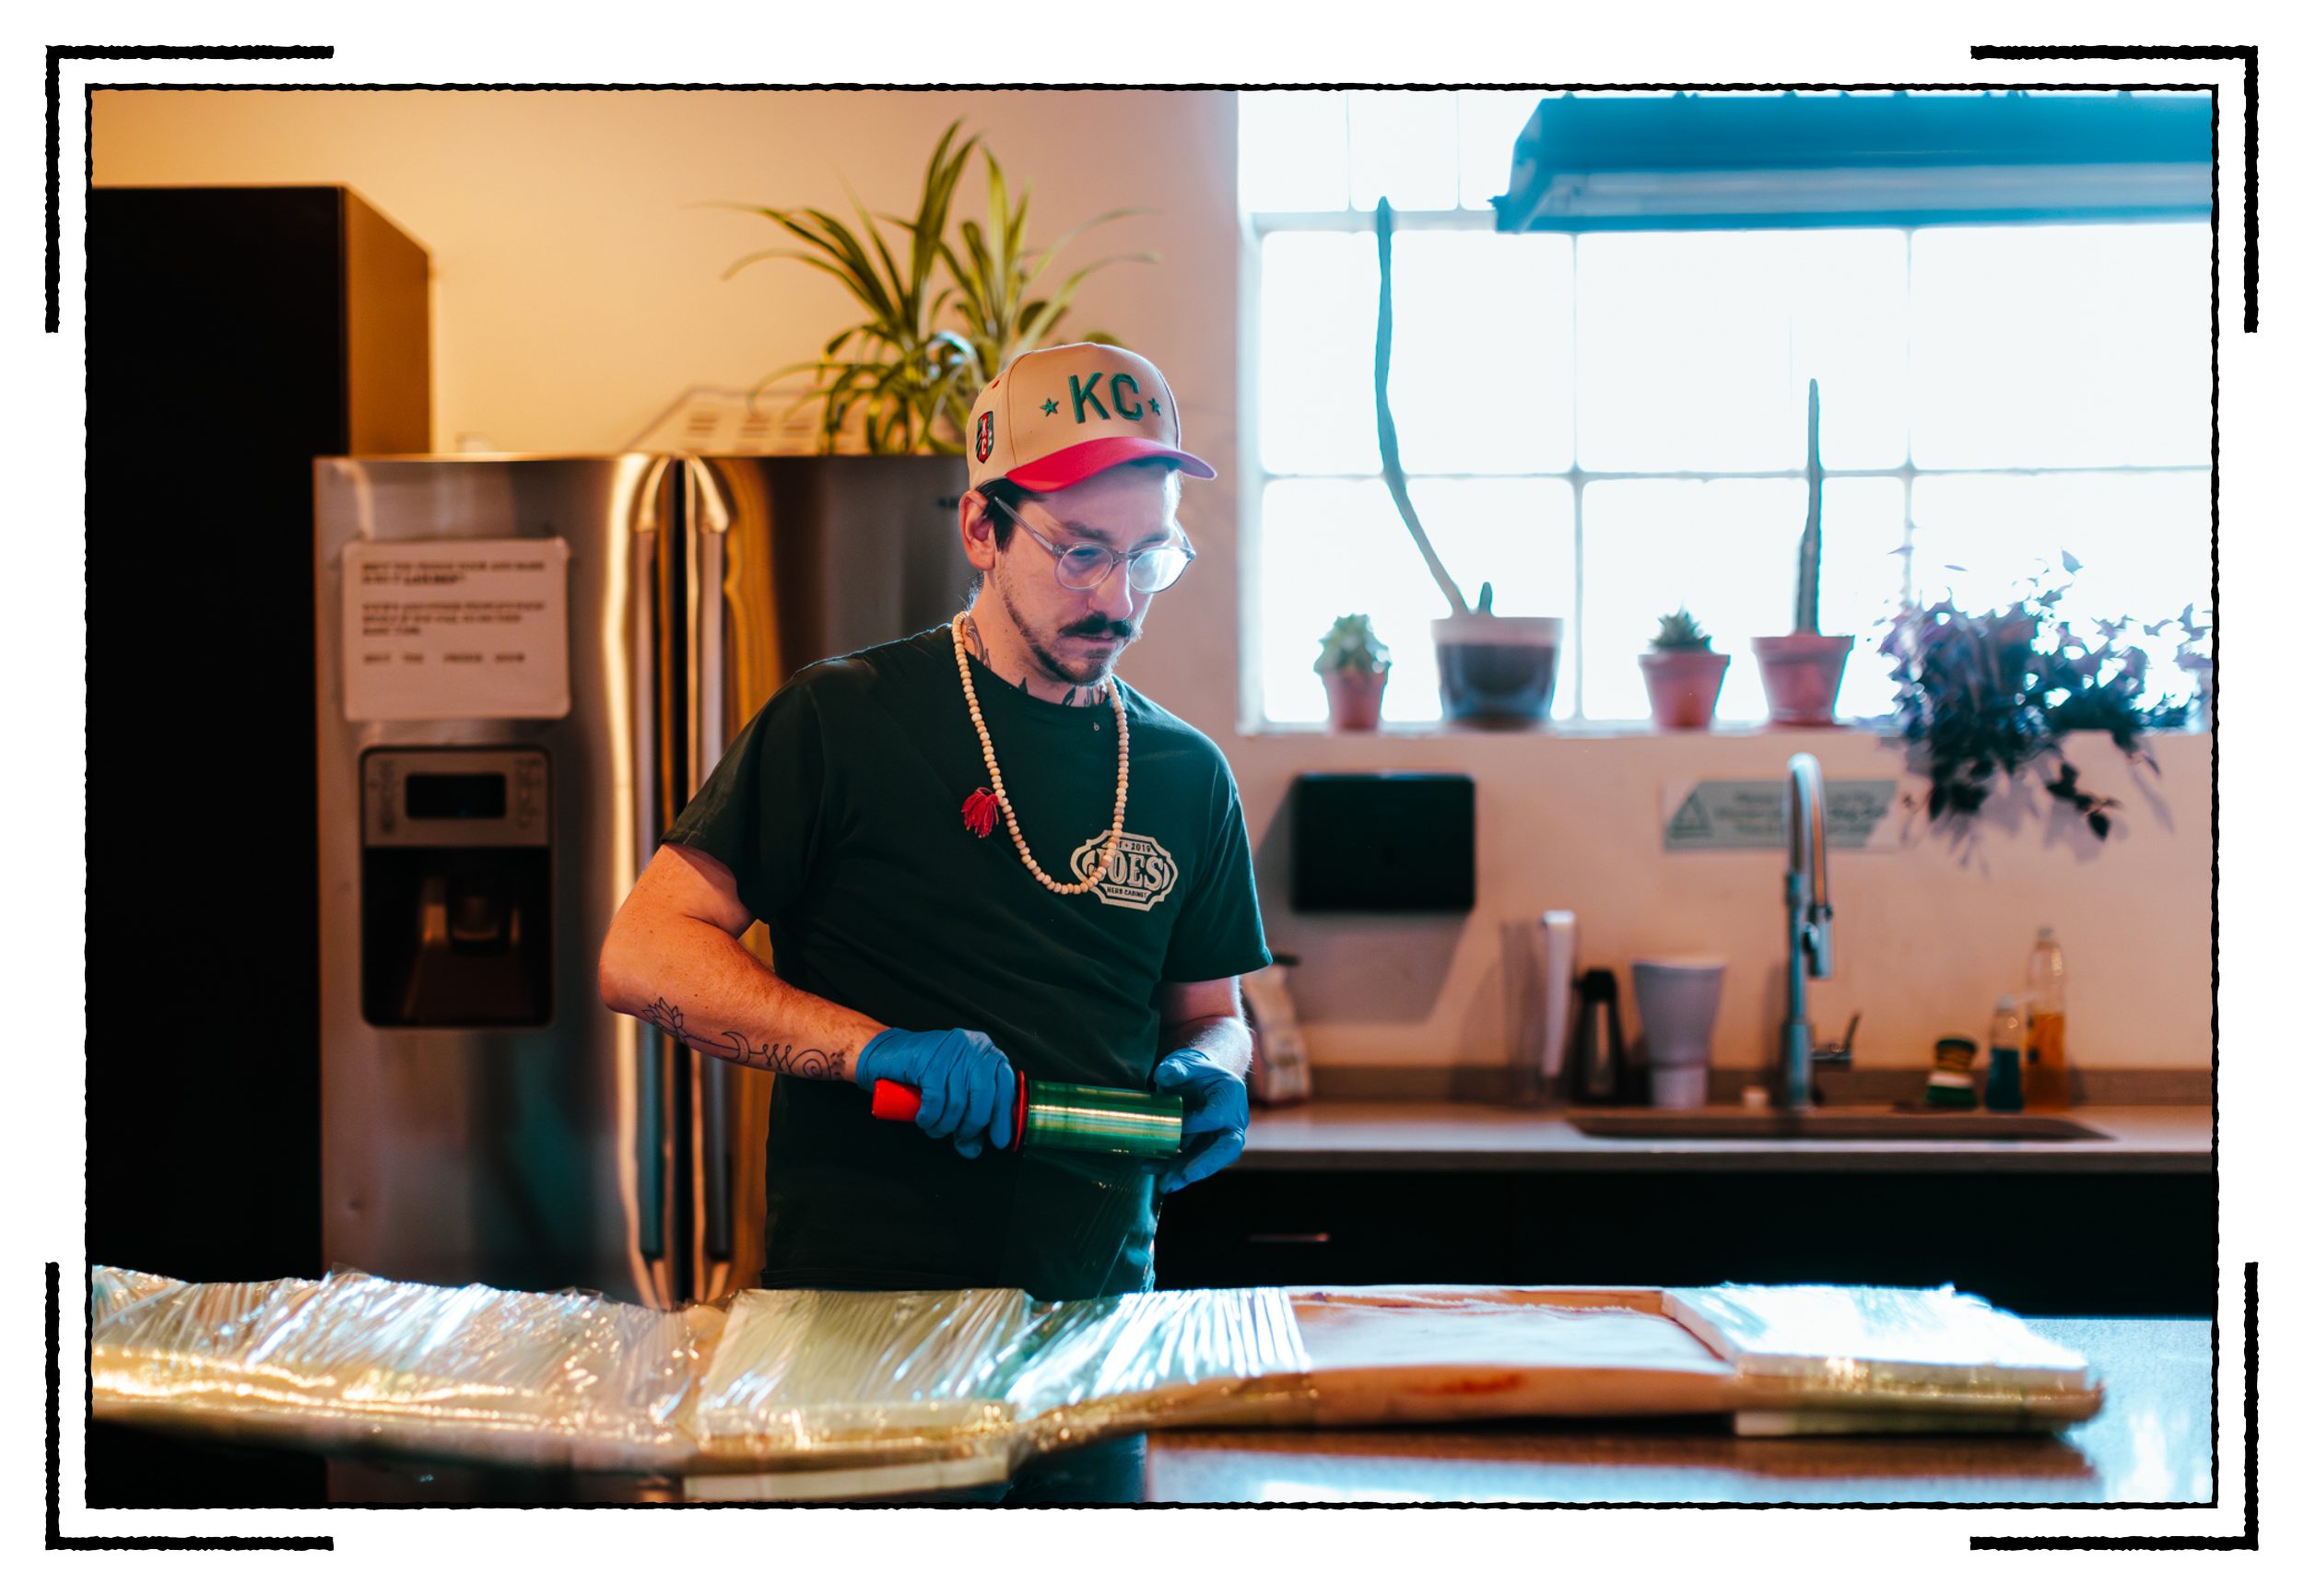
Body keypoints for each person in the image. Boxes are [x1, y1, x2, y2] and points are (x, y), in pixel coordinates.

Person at [597, 342, 1269, 1304]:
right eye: (1081, 551)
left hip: (1096, 1305)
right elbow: (644, 951)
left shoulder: (1186, 774)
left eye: (1147, 556)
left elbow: (1211, 1013)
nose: (1116, 599)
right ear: (981, 527)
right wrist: (874, 1047)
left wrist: (1212, 1068)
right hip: (854, 1310)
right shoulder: (840, 718)